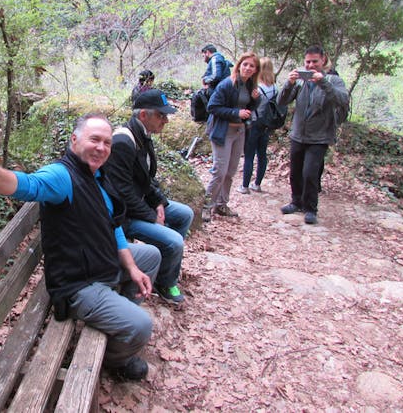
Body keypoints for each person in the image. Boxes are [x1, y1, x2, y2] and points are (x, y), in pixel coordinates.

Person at [0, 114, 161, 381]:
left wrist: (132, 268)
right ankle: (116, 359)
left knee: (151, 256)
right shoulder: (62, 176)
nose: (101, 148)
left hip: (99, 259)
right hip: (80, 283)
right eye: (94, 140)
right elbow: (29, 185)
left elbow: (114, 227)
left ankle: (119, 310)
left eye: (107, 143)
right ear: (74, 140)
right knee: (141, 325)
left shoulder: (97, 175)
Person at [104, 89, 195, 305]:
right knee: (174, 241)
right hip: (125, 216)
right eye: (161, 115)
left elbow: (146, 178)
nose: (166, 120)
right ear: (144, 115)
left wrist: (159, 202)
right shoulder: (123, 142)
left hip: (140, 203)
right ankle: (166, 281)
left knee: (184, 214)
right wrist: (151, 216)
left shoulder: (143, 135)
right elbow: (122, 192)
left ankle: (165, 276)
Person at [277, 45, 349, 225]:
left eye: (314, 61)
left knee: (310, 172)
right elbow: (281, 101)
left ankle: (310, 208)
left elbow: (342, 100)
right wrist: (289, 83)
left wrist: (322, 82)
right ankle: (296, 201)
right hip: (298, 134)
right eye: (307, 62)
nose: (310, 65)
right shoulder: (301, 81)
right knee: (295, 172)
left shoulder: (333, 80)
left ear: (323, 60)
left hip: (320, 136)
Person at [202, 52, 260, 220]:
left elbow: (248, 108)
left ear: (256, 70)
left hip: (239, 132)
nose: (248, 68)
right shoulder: (227, 84)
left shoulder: (250, 86)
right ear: (239, 65)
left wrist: (255, 101)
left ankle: (221, 205)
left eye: (252, 66)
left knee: (230, 172)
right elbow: (212, 107)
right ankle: (207, 206)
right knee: (219, 171)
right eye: (245, 64)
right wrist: (236, 112)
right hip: (222, 131)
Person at [238, 57, 278, 194]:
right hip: (266, 124)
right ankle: (257, 184)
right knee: (262, 155)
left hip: (254, 123)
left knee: (249, 155)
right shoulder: (274, 87)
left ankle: (244, 186)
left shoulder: (257, 88)